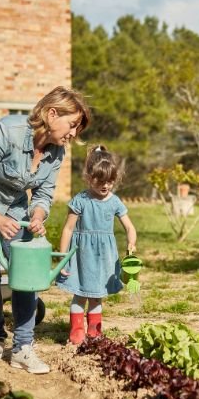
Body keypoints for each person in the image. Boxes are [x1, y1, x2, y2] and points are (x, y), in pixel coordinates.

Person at [0, 86, 90, 374]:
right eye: (72, 124)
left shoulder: (56, 152)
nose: (74, 134)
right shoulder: (6, 132)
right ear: (52, 114)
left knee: (27, 269)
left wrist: (37, 215)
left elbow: (44, 193)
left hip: (12, 207)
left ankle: (23, 347)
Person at [57, 145, 137, 345]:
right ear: (88, 176)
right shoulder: (81, 200)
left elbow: (129, 227)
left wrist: (131, 242)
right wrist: (63, 257)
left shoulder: (114, 202)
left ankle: (94, 331)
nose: (105, 185)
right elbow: (68, 229)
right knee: (80, 294)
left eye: (110, 181)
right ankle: (77, 331)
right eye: (100, 181)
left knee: (96, 296)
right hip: (81, 255)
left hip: (104, 257)